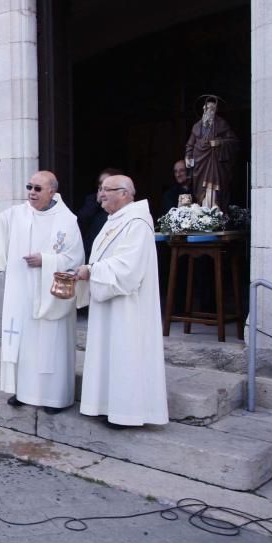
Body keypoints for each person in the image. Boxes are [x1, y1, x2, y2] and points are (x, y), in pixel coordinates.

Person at [0, 171, 84, 414]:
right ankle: (24, 391)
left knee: (50, 346)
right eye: (29, 187)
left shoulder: (67, 220)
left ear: (52, 192)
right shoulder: (17, 214)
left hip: (50, 296)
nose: (32, 192)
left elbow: (75, 258)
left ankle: (54, 398)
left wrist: (45, 261)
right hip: (21, 293)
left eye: (38, 188)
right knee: (23, 344)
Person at [75, 175, 168, 427]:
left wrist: (92, 271)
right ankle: (105, 405)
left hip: (128, 306)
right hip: (109, 303)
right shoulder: (113, 221)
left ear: (125, 193)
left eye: (107, 190)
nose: (101, 194)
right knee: (109, 354)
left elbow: (128, 268)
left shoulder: (137, 222)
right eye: (100, 189)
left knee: (125, 355)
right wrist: (90, 269)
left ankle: (126, 413)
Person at [185, 95, 238, 210]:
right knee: (201, 188)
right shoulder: (196, 126)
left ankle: (215, 209)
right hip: (200, 162)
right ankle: (203, 208)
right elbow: (190, 144)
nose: (208, 111)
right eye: (206, 108)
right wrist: (188, 157)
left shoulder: (222, 124)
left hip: (215, 162)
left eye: (211, 109)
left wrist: (219, 143)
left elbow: (233, 141)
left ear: (215, 110)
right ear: (203, 109)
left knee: (214, 188)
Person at [77, 168, 122, 261]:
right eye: (101, 183)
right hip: (90, 251)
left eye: (107, 184)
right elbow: (81, 221)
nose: (103, 186)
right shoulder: (92, 200)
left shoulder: (121, 203)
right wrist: (97, 203)